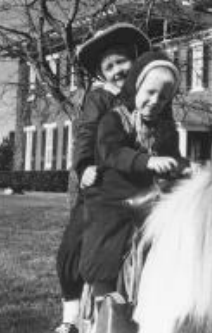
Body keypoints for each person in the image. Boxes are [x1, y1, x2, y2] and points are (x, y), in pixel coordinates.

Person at [55, 23, 150, 333]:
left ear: (134, 61)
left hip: (137, 182)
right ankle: (71, 318)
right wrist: (84, 165)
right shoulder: (100, 98)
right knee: (73, 246)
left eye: (122, 61)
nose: (117, 70)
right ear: (101, 74)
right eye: (109, 67)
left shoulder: (147, 97)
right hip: (101, 184)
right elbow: (86, 133)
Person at [79, 50, 186, 301]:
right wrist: (147, 161)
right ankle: (103, 294)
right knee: (106, 239)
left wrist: (184, 166)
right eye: (150, 92)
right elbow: (112, 152)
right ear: (136, 86)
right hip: (113, 192)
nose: (155, 101)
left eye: (163, 97)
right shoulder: (115, 119)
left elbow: (173, 155)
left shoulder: (164, 126)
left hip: (147, 193)